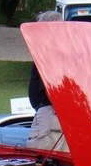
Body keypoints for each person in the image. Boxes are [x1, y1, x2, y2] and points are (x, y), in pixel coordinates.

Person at [25, 11, 69, 152]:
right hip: (56, 115)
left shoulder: (50, 53)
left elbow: (53, 87)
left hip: (50, 116)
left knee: (42, 160)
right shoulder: (65, 52)